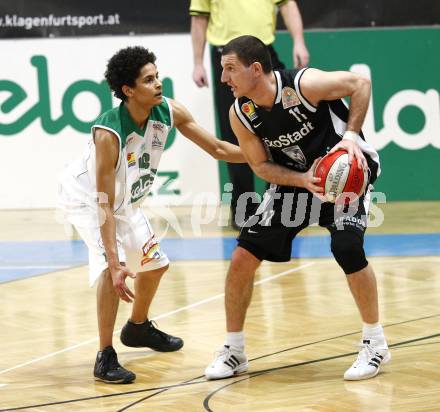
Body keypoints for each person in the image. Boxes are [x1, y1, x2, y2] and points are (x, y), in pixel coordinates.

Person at [204, 35, 390, 381]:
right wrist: (303, 179)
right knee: (242, 257)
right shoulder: (241, 113)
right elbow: (259, 166)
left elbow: (360, 83)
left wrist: (350, 137)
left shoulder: (303, 85)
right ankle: (234, 350)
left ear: (255, 69)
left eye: (230, 70)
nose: (223, 79)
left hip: (343, 176)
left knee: (347, 247)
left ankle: (375, 343)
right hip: (296, 181)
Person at [58, 46, 244, 384]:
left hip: (123, 201)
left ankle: (138, 327)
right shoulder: (109, 133)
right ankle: (104, 355)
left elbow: (217, 148)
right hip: (88, 200)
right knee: (110, 272)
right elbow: (103, 203)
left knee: (155, 265)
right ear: (129, 91)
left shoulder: (168, 112)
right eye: (148, 80)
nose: (158, 84)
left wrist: (264, 157)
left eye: (157, 76)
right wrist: (114, 262)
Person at [190, 0, 309, 229]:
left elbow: (287, 5)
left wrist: (299, 42)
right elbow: (199, 17)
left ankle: (279, 203)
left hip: (262, 53)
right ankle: (243, 208)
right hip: (226, 56)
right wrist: (197, 62)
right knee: (235, 133)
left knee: (282, 127)